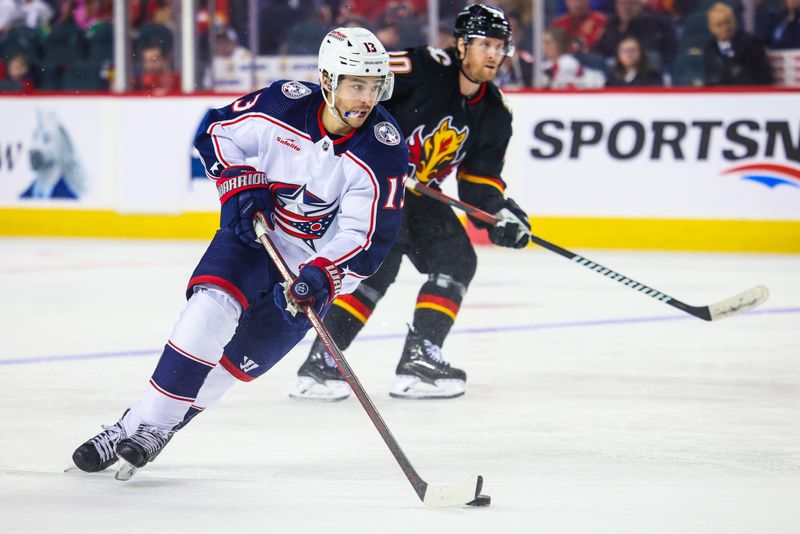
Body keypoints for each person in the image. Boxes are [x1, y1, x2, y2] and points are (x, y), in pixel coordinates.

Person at [71, 27, 408, 479]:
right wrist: (239, 180)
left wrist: (324, 274)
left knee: (235, 364)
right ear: (327, 80)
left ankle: (137, 426)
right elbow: (213, 131)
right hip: (254, 235)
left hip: (312, 268)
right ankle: (147, 428)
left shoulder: (383, 147)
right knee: (208, 312)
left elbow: (365, 238)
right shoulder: (283, 103)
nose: (366, 98)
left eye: (373, 85)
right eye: (356, 84)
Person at [290, 4, 531, 402]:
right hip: (371, 185)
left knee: (456, 259)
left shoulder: (494, 113)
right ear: (460, 44)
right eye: (483, 43)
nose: (492, 54)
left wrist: (498, 214)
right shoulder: (422, 68)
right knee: (376, 271)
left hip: (415, 195)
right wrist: (374, 152)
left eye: (499, 46)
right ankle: (323, 361)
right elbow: (358, 92)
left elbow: (477, 181)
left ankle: (418, 357)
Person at [703, 2, 773, 86]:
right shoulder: (710, 49)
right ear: (711, 28)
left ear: (734, 21)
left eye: (728, 22)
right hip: (719, 97)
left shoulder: (751, 44)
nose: (725, 28)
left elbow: (764, 77)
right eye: (719, 24)